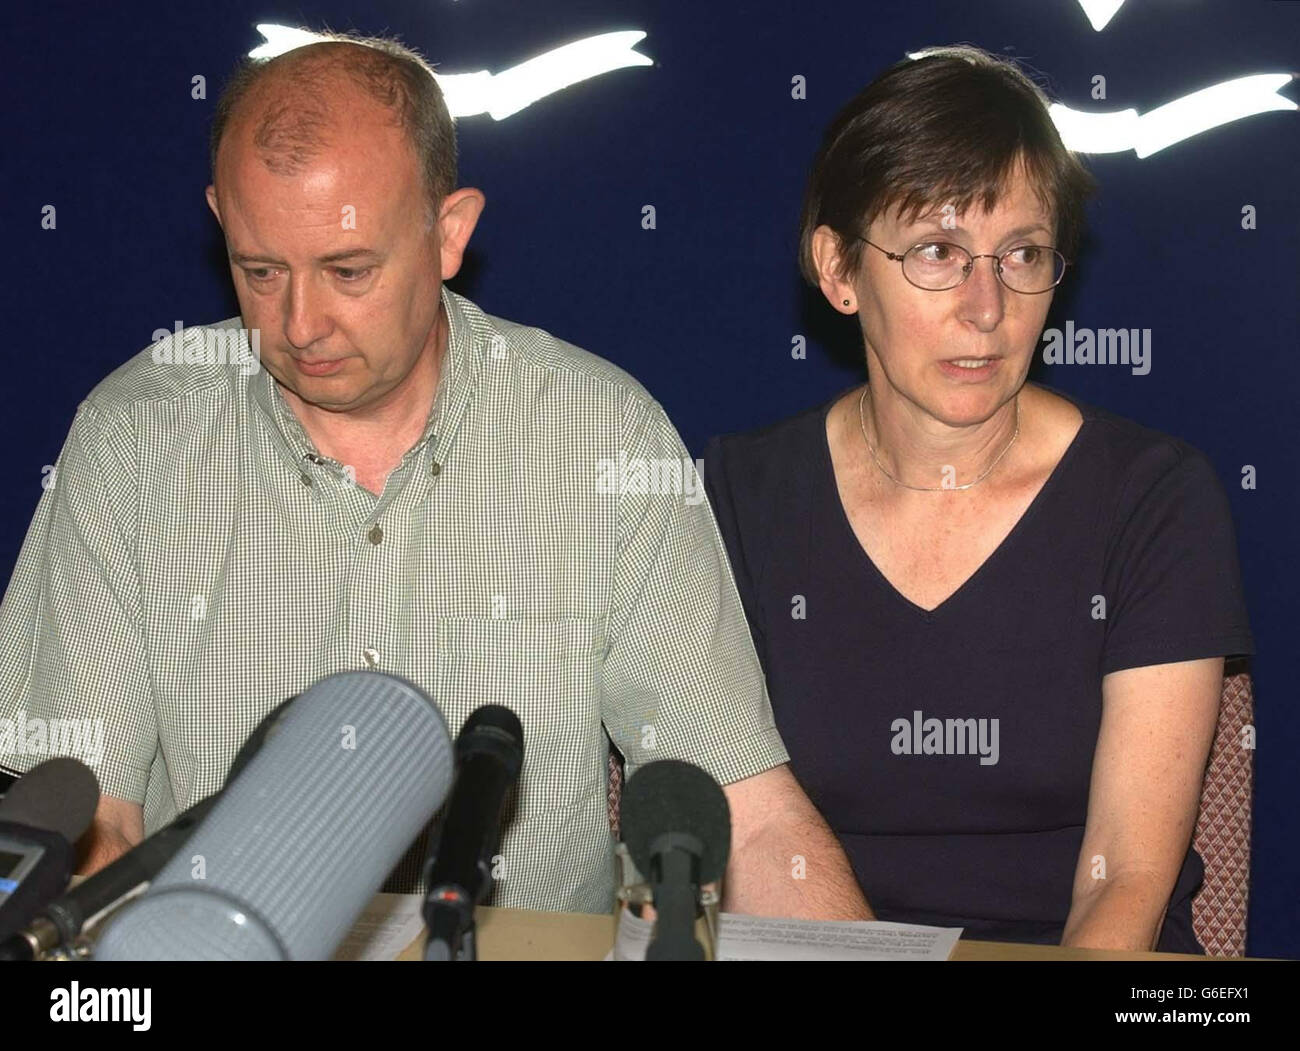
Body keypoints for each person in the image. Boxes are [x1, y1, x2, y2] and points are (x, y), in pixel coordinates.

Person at [0, 33, 869, 920]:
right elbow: (82, 826)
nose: (301, 323)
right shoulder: (132, 442)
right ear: (221, 218)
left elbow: (742, 811)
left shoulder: (604, 436)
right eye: (260, 271)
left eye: (349, 270)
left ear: (449, 232)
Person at [702, 45, 1253, 952]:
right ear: (840, 271)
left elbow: (1129, 881)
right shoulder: (739, 497)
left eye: (1023, 254)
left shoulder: (1153, 499)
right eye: (938, 253)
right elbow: (734, 830)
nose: (987, 307)